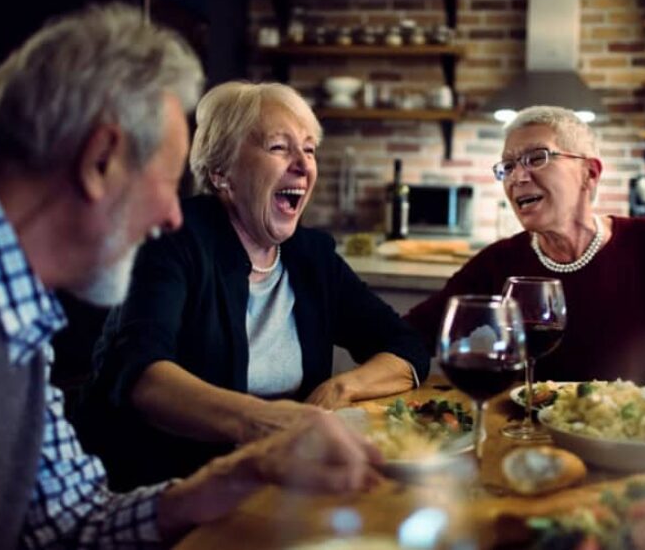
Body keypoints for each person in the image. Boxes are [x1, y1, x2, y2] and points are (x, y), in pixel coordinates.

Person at [0, 4, 383, 550]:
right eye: (168, 180)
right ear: (102, 159)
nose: (172, 217)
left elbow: (71, 521)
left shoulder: (20, 318)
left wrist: (242, 473)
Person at [78, 80, 430, 490]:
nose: (302, 163)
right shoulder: (173, 240)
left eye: (310, 148)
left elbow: (406, 347)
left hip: (275, 483)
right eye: (279, 147)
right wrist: (268, 423)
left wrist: (341, 387)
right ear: (221, 173)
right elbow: (141, 375)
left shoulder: (310, 256)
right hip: (161, 488)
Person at [405, 105, 645, 390]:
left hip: (643, 435)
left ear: (589, 173)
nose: (517, 177)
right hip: (538, 437)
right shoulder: (499, 262)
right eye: (507, 166)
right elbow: (408, 336)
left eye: (536, 158)